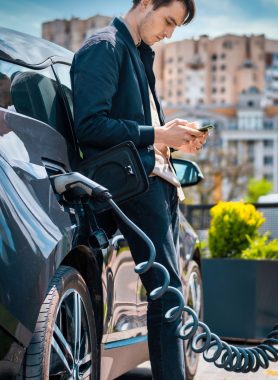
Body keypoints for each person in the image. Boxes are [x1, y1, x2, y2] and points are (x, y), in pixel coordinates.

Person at [70, 1, 205, 379]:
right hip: (132, 188)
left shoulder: (138, 53)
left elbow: (136, 127)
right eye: (168, 21)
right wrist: (160, 134)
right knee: (168, 294)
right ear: (145, 3)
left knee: (169, 293)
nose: (169, 33)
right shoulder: (104, 48)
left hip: (151, 185)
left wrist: (170, 136)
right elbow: (91, 126)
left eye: (176, 26)